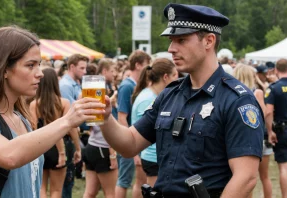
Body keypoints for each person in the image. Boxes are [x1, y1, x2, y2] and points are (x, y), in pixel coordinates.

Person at [90, 3, 264, 197]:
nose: (171, 48)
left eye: (181, 40)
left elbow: (245, 177)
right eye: (172, 40)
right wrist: (105, 119)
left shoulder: (237, 100)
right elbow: (130, 144)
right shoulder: (169, 95)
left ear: (209, 41)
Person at [0, 26, 104, 198]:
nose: (40, 74)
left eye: (38, 65)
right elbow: (9, 156)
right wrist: (67, 120)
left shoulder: (20, 118)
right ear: (4, 69)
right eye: (30, 65)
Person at [30, 68, 78, 198]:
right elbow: (71, 128)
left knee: (41, 188)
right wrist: (78, 148)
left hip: (41, 147)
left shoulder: (34, 104)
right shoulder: (63, 103)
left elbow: (34, 128)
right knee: (56, 190)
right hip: (60, 148)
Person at [131, 58, 177, 187]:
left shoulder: (151, 95)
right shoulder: (148, 99)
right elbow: (146, 131)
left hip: (153, 155)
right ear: (166, 77)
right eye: (175, 75)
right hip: (152, 156)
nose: (177, 79)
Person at [233, 64, 273, 198]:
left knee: (243, 180)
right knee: (262, 177)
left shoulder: (231, 93)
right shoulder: (257, 92)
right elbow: (265, 112)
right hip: (257, 138)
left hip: (238, 141)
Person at [116, 50, 151, 198]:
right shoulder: (127, 86)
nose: (150, 69)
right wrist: (128, 141)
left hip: (134, 138)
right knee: (124, 180)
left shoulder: (135, 85)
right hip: (129, 139)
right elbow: (122, 116)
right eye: (147, 65)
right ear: (138, 65)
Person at [82, 59, 118, 198]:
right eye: (112, 71)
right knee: (110, 193)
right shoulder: (102, 94)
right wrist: (113, 154)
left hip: (91, 145)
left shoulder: (89, 93)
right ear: (103, 72)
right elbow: (106, 128)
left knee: (90, 192)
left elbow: (90, 125)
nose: (115, 74)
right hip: (103, 148)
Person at [59, 53, 88, 198]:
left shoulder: (75, 84)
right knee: (66, 182)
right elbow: (70, 117)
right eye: (82, 68)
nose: (85, 72)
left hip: (73, 135)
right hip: (67, 137)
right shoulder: (65, 86)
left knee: (69, 182)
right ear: (71, 67)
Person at [265, 58, 287, 198]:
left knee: (284, 168)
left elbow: (268, 111)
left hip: (282, 131)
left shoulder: (274, 88)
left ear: (276, 70)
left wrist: (270, 131)